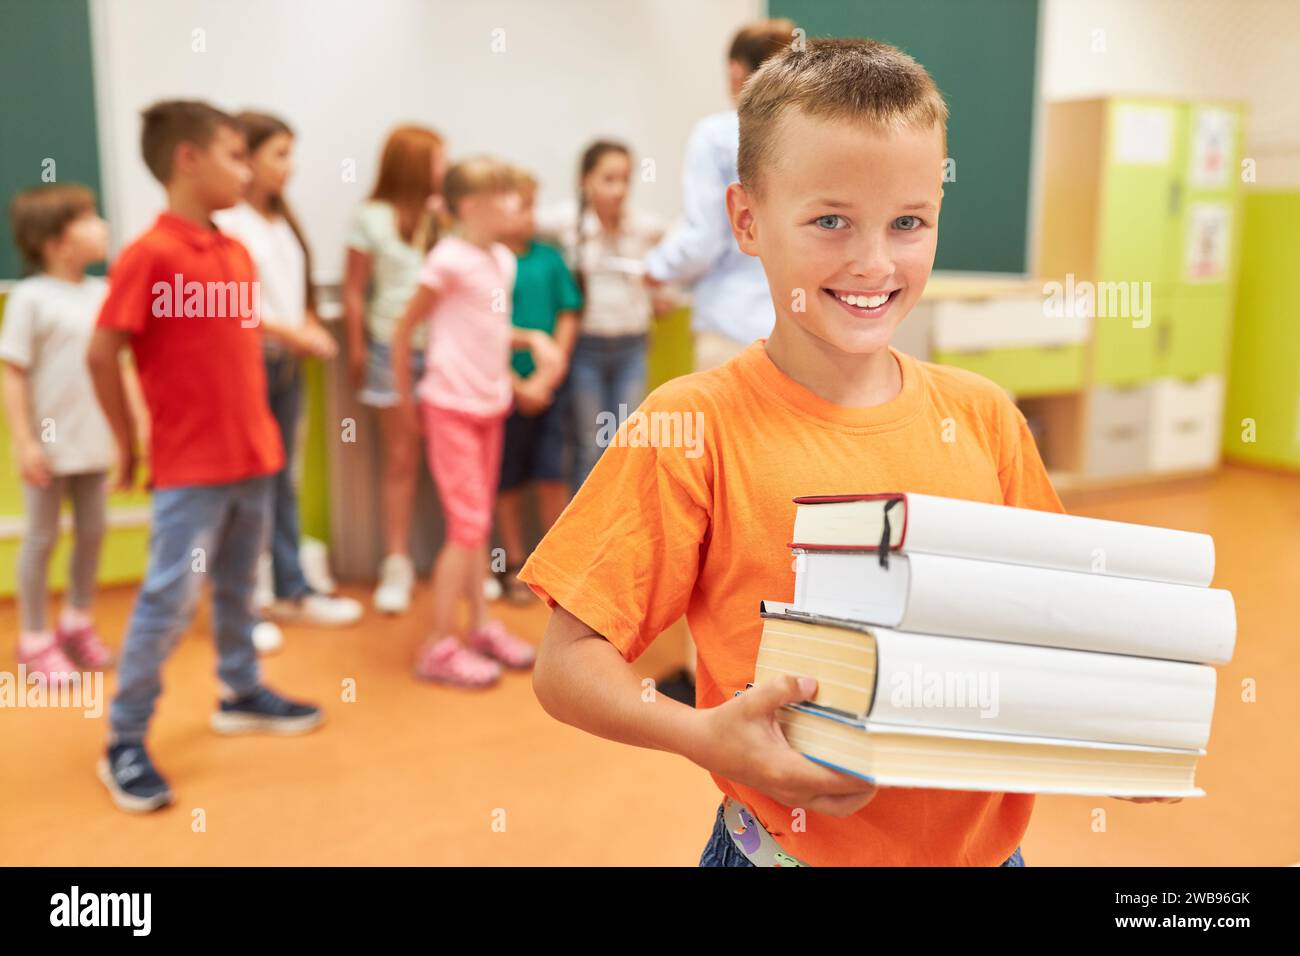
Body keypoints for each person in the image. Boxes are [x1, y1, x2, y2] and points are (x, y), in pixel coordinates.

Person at [522, 40, 1170, 867]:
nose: (873, 263)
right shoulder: (691, 426)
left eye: (909, 222)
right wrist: (702, 735)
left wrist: (1112, 730)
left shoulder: (985, 418)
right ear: (747, 220)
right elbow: (566, 665)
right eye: (831, 220)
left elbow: (1047, 629)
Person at [88, 100, 322, 813]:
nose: (244, 168)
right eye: (232, 154)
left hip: (253, 452)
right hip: (190, 466)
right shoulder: (150, 254)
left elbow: (237, 345)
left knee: (235, 587)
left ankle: (241, 688)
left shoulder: (233, 250)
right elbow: (104, 351)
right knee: (168, 597)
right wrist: (129, 441)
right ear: (187, 159)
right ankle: (124, 739)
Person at [390, 157, 563, 687]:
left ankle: (480, 626)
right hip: (450, 408)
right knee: (465, 528)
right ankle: (439, 645)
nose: (517, 205)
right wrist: (405, 403)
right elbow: (403, 331)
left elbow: (486, 327)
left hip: (490, 407)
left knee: (476, 522)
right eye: (505, 196)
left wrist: (529, 337)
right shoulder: (447, 259)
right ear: (470, 206)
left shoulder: (501, 262)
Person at [214, 111, 362, 642]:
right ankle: (245, 605)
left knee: (282, 480)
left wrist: (309, 325)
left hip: (285, 366)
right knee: (246, 485)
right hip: (249, 366)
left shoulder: (281, 221)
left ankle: (292, 588)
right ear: (246, 158)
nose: (290, 167)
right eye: (279, 154)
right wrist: (290, 332)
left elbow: (290, 295)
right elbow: (231, 309)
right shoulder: (228, 225)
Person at [1, 184, 122, 682]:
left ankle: (77, 621)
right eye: (88, 218)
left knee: (93, 532)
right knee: (43, 537)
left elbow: (117, 369)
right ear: (55, 242)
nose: (103, 226)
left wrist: (126, 435)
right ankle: (33, 638)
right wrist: (26, 441)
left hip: (93, 441)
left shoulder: (104, 293)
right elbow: (13, 371)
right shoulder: (30, 298)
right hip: (50, 447)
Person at [342, 125, 447, 613]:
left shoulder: (441, 217)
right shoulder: (372, 218)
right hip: (392, 350)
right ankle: (397, 563)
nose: (444, 170)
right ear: (413, 164)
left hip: (446, 350)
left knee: (452, 459)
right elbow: (353, 289)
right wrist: (358, 348)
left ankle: (462, 561)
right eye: (436, 161)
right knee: (402, 458)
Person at [537, 141, 666, 490]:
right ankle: (587, 540)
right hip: (586, 348)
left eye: (625, 179)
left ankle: (622, 534)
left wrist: (661, 295)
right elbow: (518, 226)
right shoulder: (565, 222)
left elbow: (672, 265)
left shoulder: (644, 228)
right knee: (590, 445)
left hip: (632, 346)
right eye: (608, 179)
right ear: (585, 180)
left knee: (628, 443)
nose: (619, 189)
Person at [493, 167, 581, 603]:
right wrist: (515, 383)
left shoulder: (549, 257)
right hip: (500, 389)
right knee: (505, 480)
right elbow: (481, 329)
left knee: (551, 473)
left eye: (533, 204)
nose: (531, 215)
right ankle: (511, 563)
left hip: (550, 388)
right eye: (523, 205)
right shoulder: (490, 262)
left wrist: (550, 371)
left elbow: (568, 310)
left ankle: (554, 565)